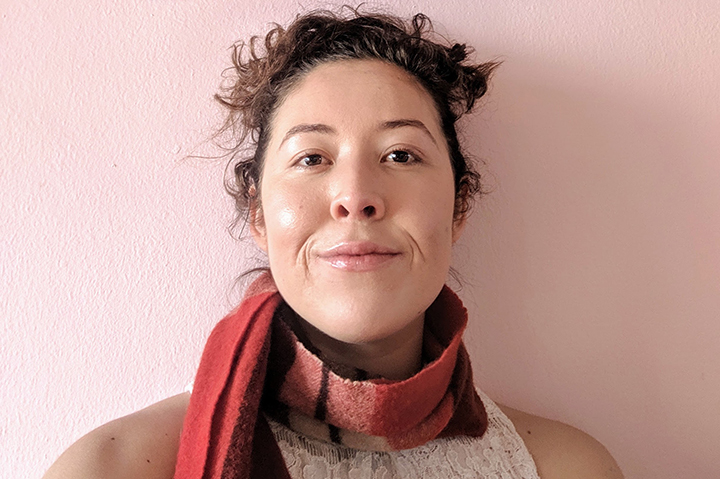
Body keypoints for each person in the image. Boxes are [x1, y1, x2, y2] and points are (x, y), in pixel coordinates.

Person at [43, 8, 623, 479]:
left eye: (401, 155)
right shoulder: (115, 469)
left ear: (458, 208)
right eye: (311, 158)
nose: (355, 196)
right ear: (258, 214)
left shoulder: (565, 468)